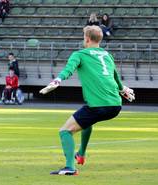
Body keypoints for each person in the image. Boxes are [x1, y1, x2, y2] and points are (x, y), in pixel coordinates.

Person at [40, 26, 135, 175]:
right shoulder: (107, 55)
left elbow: (68, 69)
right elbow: (115, 77)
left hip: (98, 105)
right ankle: (81, 154)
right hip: (115, 105)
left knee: (65, 131)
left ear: (87, 39)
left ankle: (70, 167)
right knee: (86, 122)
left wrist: (58, 80)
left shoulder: (80, 54)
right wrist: (123, 89)